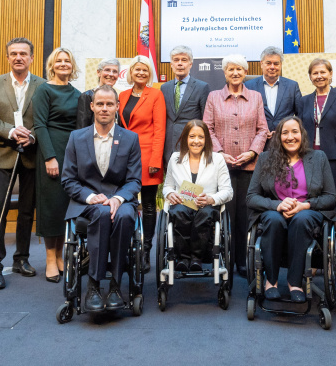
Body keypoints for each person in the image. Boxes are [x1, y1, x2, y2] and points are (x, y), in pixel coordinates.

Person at [61, 85, 142, 312]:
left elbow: (135, 180)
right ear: (92, 106)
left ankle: (116, 286)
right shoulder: (76, 138)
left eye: (109, 104)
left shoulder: (130, 138)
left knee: (126, 217)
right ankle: (94, 286)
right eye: (100, 104)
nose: (104, 108)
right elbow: (68, 180)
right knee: (101, 213)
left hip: (121, 200)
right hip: (87, 203)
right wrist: (89, 197)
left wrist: (118, 198)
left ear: (117, 107)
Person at [247, 117, 336, 301]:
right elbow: (251, 197)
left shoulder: (318, 158)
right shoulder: (265, 159)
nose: (290, 137)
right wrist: (277, 205)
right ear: (278, 137)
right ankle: (270, 281)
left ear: (302, 134)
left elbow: (331, 197)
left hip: (307, 213)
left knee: (301, 219)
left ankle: (295, 282)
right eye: (285, 132)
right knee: (273, 219)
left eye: (294, 131)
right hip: (275, 212)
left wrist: (305, 205)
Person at [0, 38, 45, 289]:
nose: (18, 57)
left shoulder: (43, 84)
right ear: (8, 58)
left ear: (31, 58)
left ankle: (22, 258)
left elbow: (46, 120)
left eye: (23, 54)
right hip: (4, 155)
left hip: (31, 154)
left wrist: (32, 135)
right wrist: (11, 132)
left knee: (27, 211)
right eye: (13, 54)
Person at [203, 54, 268, 276]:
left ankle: (242, 260)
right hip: (222, 167)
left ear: (245, 71)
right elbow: (207, 129)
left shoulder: (256, 97)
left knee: (245, 215)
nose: (235, 73)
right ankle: (224, 259)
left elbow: (262, 129)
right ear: (224, 72)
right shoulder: (213, 97)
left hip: (249, 167)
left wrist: (251, 152)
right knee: (224, 215)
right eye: (231, 69)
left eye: (239, 69)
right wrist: (220, 153)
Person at [32, 47, 81, 283]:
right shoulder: (44, 90)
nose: (63, 64)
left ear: (72, 65)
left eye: (67, 61)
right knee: (51, 207)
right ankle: (50, 259)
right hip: (51, 153)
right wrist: (49, 157)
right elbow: (39, 125)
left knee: (65, 207)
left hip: (71, 154)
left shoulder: (77, 93)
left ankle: (61, 256)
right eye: (59, 61)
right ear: (52, 65)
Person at [162, 120, 233, 271]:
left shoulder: (217, 159)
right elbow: (167, 185)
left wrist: (211, 199)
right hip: (183, 203)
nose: (196, 141)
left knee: (204, 215)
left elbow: (228, 191)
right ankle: (183, 257)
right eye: (192, 136)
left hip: (207, 206)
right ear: (185, 138)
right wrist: (170, 193)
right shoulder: (175, 158)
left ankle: (197, 258)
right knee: (178, 211)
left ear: (206, 139)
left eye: (200, 137)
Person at [118, 55, 166, 273]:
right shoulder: (122, 95)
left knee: (147, 205)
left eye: (145, 70)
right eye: (137, 69)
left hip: (147, 156)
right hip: (123, 156)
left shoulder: (156, 94)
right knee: (125, 202)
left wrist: (156, 159)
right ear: (131, 72)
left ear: (150, 74)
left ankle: (146, 252)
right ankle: (127, 248)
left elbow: (159, 130)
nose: (141, 73)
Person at [299, 58, 336, 222]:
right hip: (309, 157)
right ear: (310, 77)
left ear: (331, 74)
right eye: (315, 73)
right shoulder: (304, 100)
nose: (319, 76)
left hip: (335, 158)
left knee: (335, 198)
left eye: (323, 72)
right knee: (312, 196)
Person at [161, 46, 210, 165]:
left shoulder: (202, 87)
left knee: (189, 182)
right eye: (176, 60)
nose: (180, 64)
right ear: (171, 64)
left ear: (191, 64)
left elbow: (206, 121)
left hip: (192, 144)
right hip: (168, 146)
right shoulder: (164, 88)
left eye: (184, 60)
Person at [247, 46, 303, 137]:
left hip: (286, 140)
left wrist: (290, 131)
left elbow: (300, 115)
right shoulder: (249, 86)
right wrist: (261, 131)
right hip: (258, 140)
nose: (272, 67)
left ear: (281, 65)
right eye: (268, 63)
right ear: (261, 64)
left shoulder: (292, 86)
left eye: (276, 63)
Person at [76, 58, 121, 129]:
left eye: (115, 71)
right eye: (107, 70)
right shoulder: (87, 96)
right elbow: (82, 128)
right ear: (98, 72)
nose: (111, 74)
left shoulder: (117, 98)